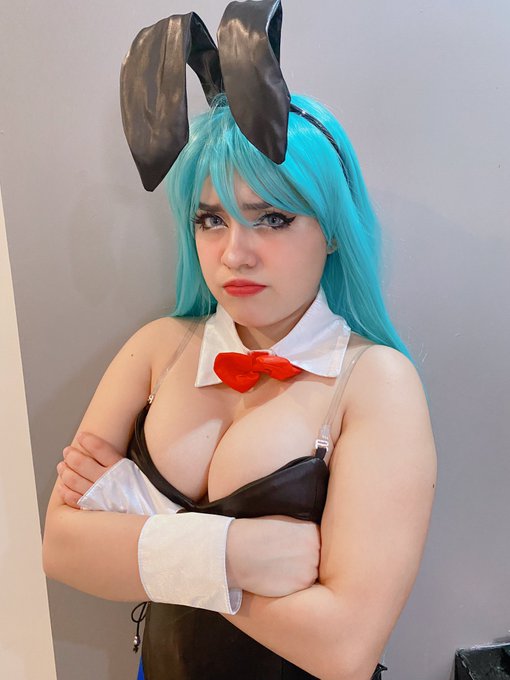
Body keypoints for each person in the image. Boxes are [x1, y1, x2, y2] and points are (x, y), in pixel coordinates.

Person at [43, 2, 436, 679]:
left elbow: (344, 649)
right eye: (211, 219)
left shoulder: (375, 383)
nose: (234, 254)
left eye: (272, 218)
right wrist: (238, 555)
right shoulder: (158, 350)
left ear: (332, 229)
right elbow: (62, 548)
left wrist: (138, 527)